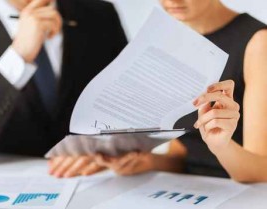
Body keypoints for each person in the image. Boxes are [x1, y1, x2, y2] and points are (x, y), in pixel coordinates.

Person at [49, 0, 267, 182]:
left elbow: (260, 172)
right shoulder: (177, 36)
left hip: (238, 193)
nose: (171, 1)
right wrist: (148, 161)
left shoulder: (259, 43)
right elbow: (186, 154)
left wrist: (222, 147)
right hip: (190, 189)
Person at [0, 0, 127, 166]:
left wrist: (105, 152)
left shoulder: (101, 15)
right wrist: (18, 55)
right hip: (13, 179)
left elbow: (127, 105)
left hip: (98, 175)